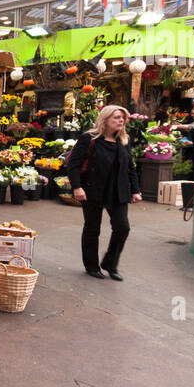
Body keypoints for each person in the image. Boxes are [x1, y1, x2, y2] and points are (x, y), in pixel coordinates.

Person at [68, 104, 142, 281]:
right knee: (92, 228)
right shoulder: (89, 138)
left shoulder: (123, 141)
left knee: (122, 227)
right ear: (105, 119)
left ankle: (110, 263)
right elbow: (74, 164)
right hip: (92, 189)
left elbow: (130, 168)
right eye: (116, 117)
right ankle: (91, 265)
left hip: (118, 191)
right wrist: (77, 187)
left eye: (122, 118)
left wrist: (136, 190)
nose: (121, 121)